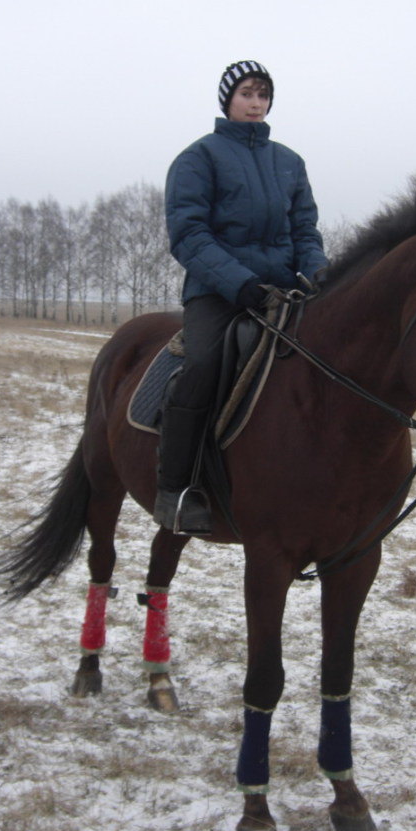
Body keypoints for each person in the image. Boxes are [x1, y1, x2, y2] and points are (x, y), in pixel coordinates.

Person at [154, 59, 329, 534]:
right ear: (228, 100)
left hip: (283, 289)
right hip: (218, 291)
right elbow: (189, 234)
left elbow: (304, 229)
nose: (256, 103)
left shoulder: (290, 162)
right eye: (247, 94)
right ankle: (175, 489)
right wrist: (239, 282)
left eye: (263, 95)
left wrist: (319, 273)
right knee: (203, 365)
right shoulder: (198, 158)